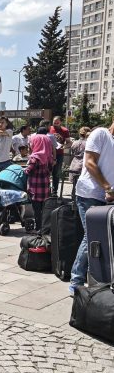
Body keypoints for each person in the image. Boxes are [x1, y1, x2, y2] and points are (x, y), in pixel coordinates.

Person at [69, 119, 114, 294]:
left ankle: (100, 277)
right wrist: (107, 187)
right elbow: (89, 162)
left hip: (107, 197)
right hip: (90, 194)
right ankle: (76, 280)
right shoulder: (101, 134)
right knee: (91, 237)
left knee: (103, 238)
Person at [23, 133, 54, 232]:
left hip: (35, 189)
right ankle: (44, 227)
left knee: (36, 210)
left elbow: (28, 171)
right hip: (44, 188)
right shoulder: (48, 157)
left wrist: (24, 170)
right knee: (43, 209)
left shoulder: (34, 158)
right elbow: (50, 169)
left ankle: (38, 228)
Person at [49, 116, 71, 196]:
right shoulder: (49, 128)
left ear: (60, 122)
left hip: (59, 154)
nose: (55, 123)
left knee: (56, 173)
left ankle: (55, 191)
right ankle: (47, 189)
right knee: (47, 172)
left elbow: (69, 142)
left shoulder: (65, 130)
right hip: (48, 154)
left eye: (57, 122)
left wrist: (63, 146)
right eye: (54, 122)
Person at [69, 127, 91, 199]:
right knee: (82, 187)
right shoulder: (88, 143)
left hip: (74, 164)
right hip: (82, 165)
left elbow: (71, 154)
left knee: (74, 185)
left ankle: (73, 202)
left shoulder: (74, 143)